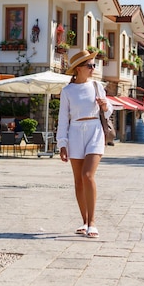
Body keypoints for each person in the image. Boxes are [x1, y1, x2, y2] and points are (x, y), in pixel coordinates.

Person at [56, 49, 113, 239]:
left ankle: (93, 221)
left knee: (88, 175)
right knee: (78, 180)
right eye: (90, 65)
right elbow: (63, 118)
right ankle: (84, 220)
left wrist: (105, 106)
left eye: (94, 65)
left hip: (95, 130)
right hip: (75, 132)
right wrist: (62, 144)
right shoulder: (67, 91)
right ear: (78, 69)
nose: (93, 68)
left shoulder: (97, 85)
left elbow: (108, 111)